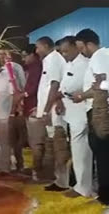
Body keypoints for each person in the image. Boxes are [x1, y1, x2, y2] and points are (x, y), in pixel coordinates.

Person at [72, 29, 109, 205]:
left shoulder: (100, 56)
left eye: (81, 47)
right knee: (101, 153)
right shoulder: (102, 56)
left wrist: (82, 96)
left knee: (103, 153)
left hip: (101, 110)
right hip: (100, 109)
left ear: (88, 44)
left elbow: (101, 85)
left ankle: (105, 196)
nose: (81, 52)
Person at [54, 36, 93, 198]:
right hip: (70, 111)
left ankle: (83, 188)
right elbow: (64, 86)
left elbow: (74, 86)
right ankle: (80, 185)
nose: (64, 54)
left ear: (76, 47)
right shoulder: (69, 64)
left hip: (80, 112)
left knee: (81, 152)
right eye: (62, 51)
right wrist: (60, 98)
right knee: (76, 151)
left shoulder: (83, 64)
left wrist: (62, 94)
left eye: (66, 50)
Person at [36, 36, 70, 191]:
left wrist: (47, 109)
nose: (37, 51)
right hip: (51, 109)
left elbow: (54, 84)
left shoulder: (53, 59)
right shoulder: (50, 59)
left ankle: (63, 181)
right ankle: (59, 179)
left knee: (59, 146)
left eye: (38, 47)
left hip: (54, 110)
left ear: (44, 46)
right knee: (55, 145)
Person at [0, 47, 27, 172]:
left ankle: (20, 164)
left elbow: (23, 84)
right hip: (4, 108)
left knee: (19, 137)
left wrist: (21, 102)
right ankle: (7, 164)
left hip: (17, 105)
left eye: (5, 53)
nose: (2, 56)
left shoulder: (15, 67)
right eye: (0, 54)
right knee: (7, 138)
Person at [20, 44, 43, 180]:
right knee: (33, 141)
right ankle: (37, 168)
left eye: (25, 56)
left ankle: (38, 171)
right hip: (29, 108)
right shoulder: (29, 68)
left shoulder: (37, 67)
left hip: (35, 108)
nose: (23, 59)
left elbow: (32, 89)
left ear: (32, 55)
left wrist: (21, 95)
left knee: (36, 142)